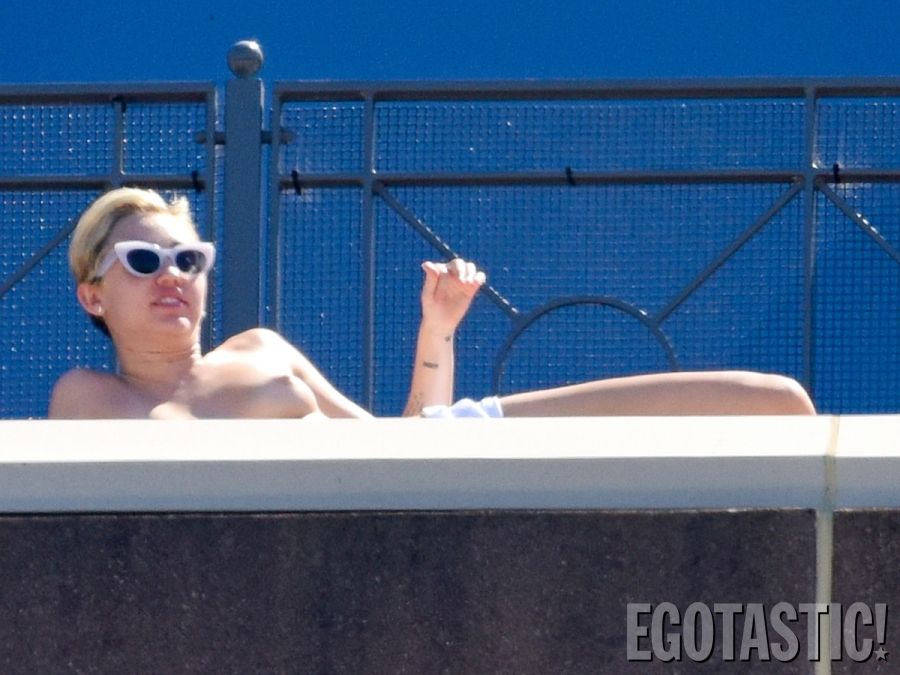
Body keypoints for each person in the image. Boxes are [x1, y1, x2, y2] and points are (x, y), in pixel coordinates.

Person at [49, 188, 816, 419]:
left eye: (189, 258)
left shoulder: (260, 347)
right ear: (92, 293)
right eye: (143, 261)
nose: (172, 275)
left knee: (777, 401)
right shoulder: (90, 395)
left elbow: (400, 442)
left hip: (434, 459)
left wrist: (437, 328)